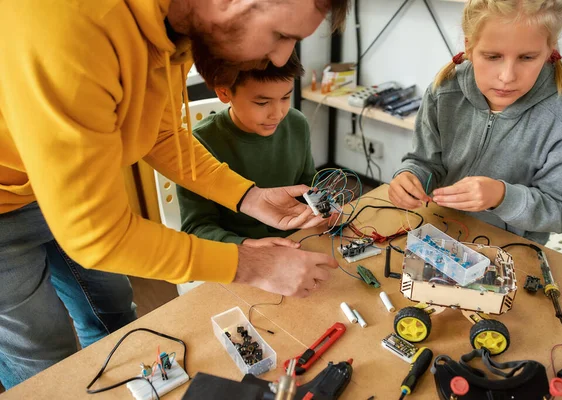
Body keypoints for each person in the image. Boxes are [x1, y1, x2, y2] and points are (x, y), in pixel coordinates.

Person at [0, 0, 350, 389]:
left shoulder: (181, 25)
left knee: (112, 314)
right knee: (44, 361)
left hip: (60, 180)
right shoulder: (72, 30)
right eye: (281, 35)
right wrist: (252, 264)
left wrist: (248, 196)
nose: (282, 56)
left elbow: (162, 134)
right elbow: (97, 236)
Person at [389, 0, 562, 244]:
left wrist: (501, 197)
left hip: (511, 250)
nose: (507, 77)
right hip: (440, 232)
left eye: (527, 57)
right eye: (493, 56)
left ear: (550, 49)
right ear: (469, 46)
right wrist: (410, 175)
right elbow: (425, 162)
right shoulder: (444, 92)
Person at [178, 51, 317, 248]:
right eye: (262, 103)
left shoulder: (296, 124)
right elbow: (196, 227)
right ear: (224, 92)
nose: (277, 114)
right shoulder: (198, 144)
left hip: (297, 240)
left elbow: (309, 184)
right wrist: (246, 246)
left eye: (286, 97)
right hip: (238, 251)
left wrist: (322, 206)